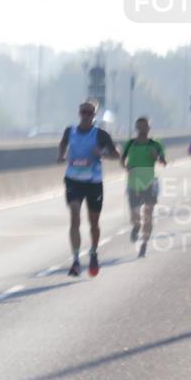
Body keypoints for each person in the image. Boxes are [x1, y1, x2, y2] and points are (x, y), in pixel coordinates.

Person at [57, 99, 120, 277]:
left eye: (89, 113)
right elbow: (63, 143)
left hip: (93, 183)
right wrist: (61, 155)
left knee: (93, 222)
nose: (85, 115)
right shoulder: (70, 131)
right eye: (83, 112)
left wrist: (102, 154)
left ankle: (93, 253)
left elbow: (116, 154)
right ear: (79, 113)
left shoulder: (100, 135)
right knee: (75, 216)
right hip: (73, 180)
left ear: (94, 115)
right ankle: (76, 260)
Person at [121, 116, 167, 258]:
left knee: (148, 214)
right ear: (136, 128)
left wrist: (158, 157)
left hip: (150, 183)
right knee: (135, 216)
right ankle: (136, 227)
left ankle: (144, 244)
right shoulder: (129, 144)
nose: (142, 129)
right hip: (133, 183)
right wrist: (126, 167)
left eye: (145, 126)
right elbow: (122, 161)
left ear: (149, 128)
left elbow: (164, 162)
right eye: (139, 126)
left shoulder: (156, 144)